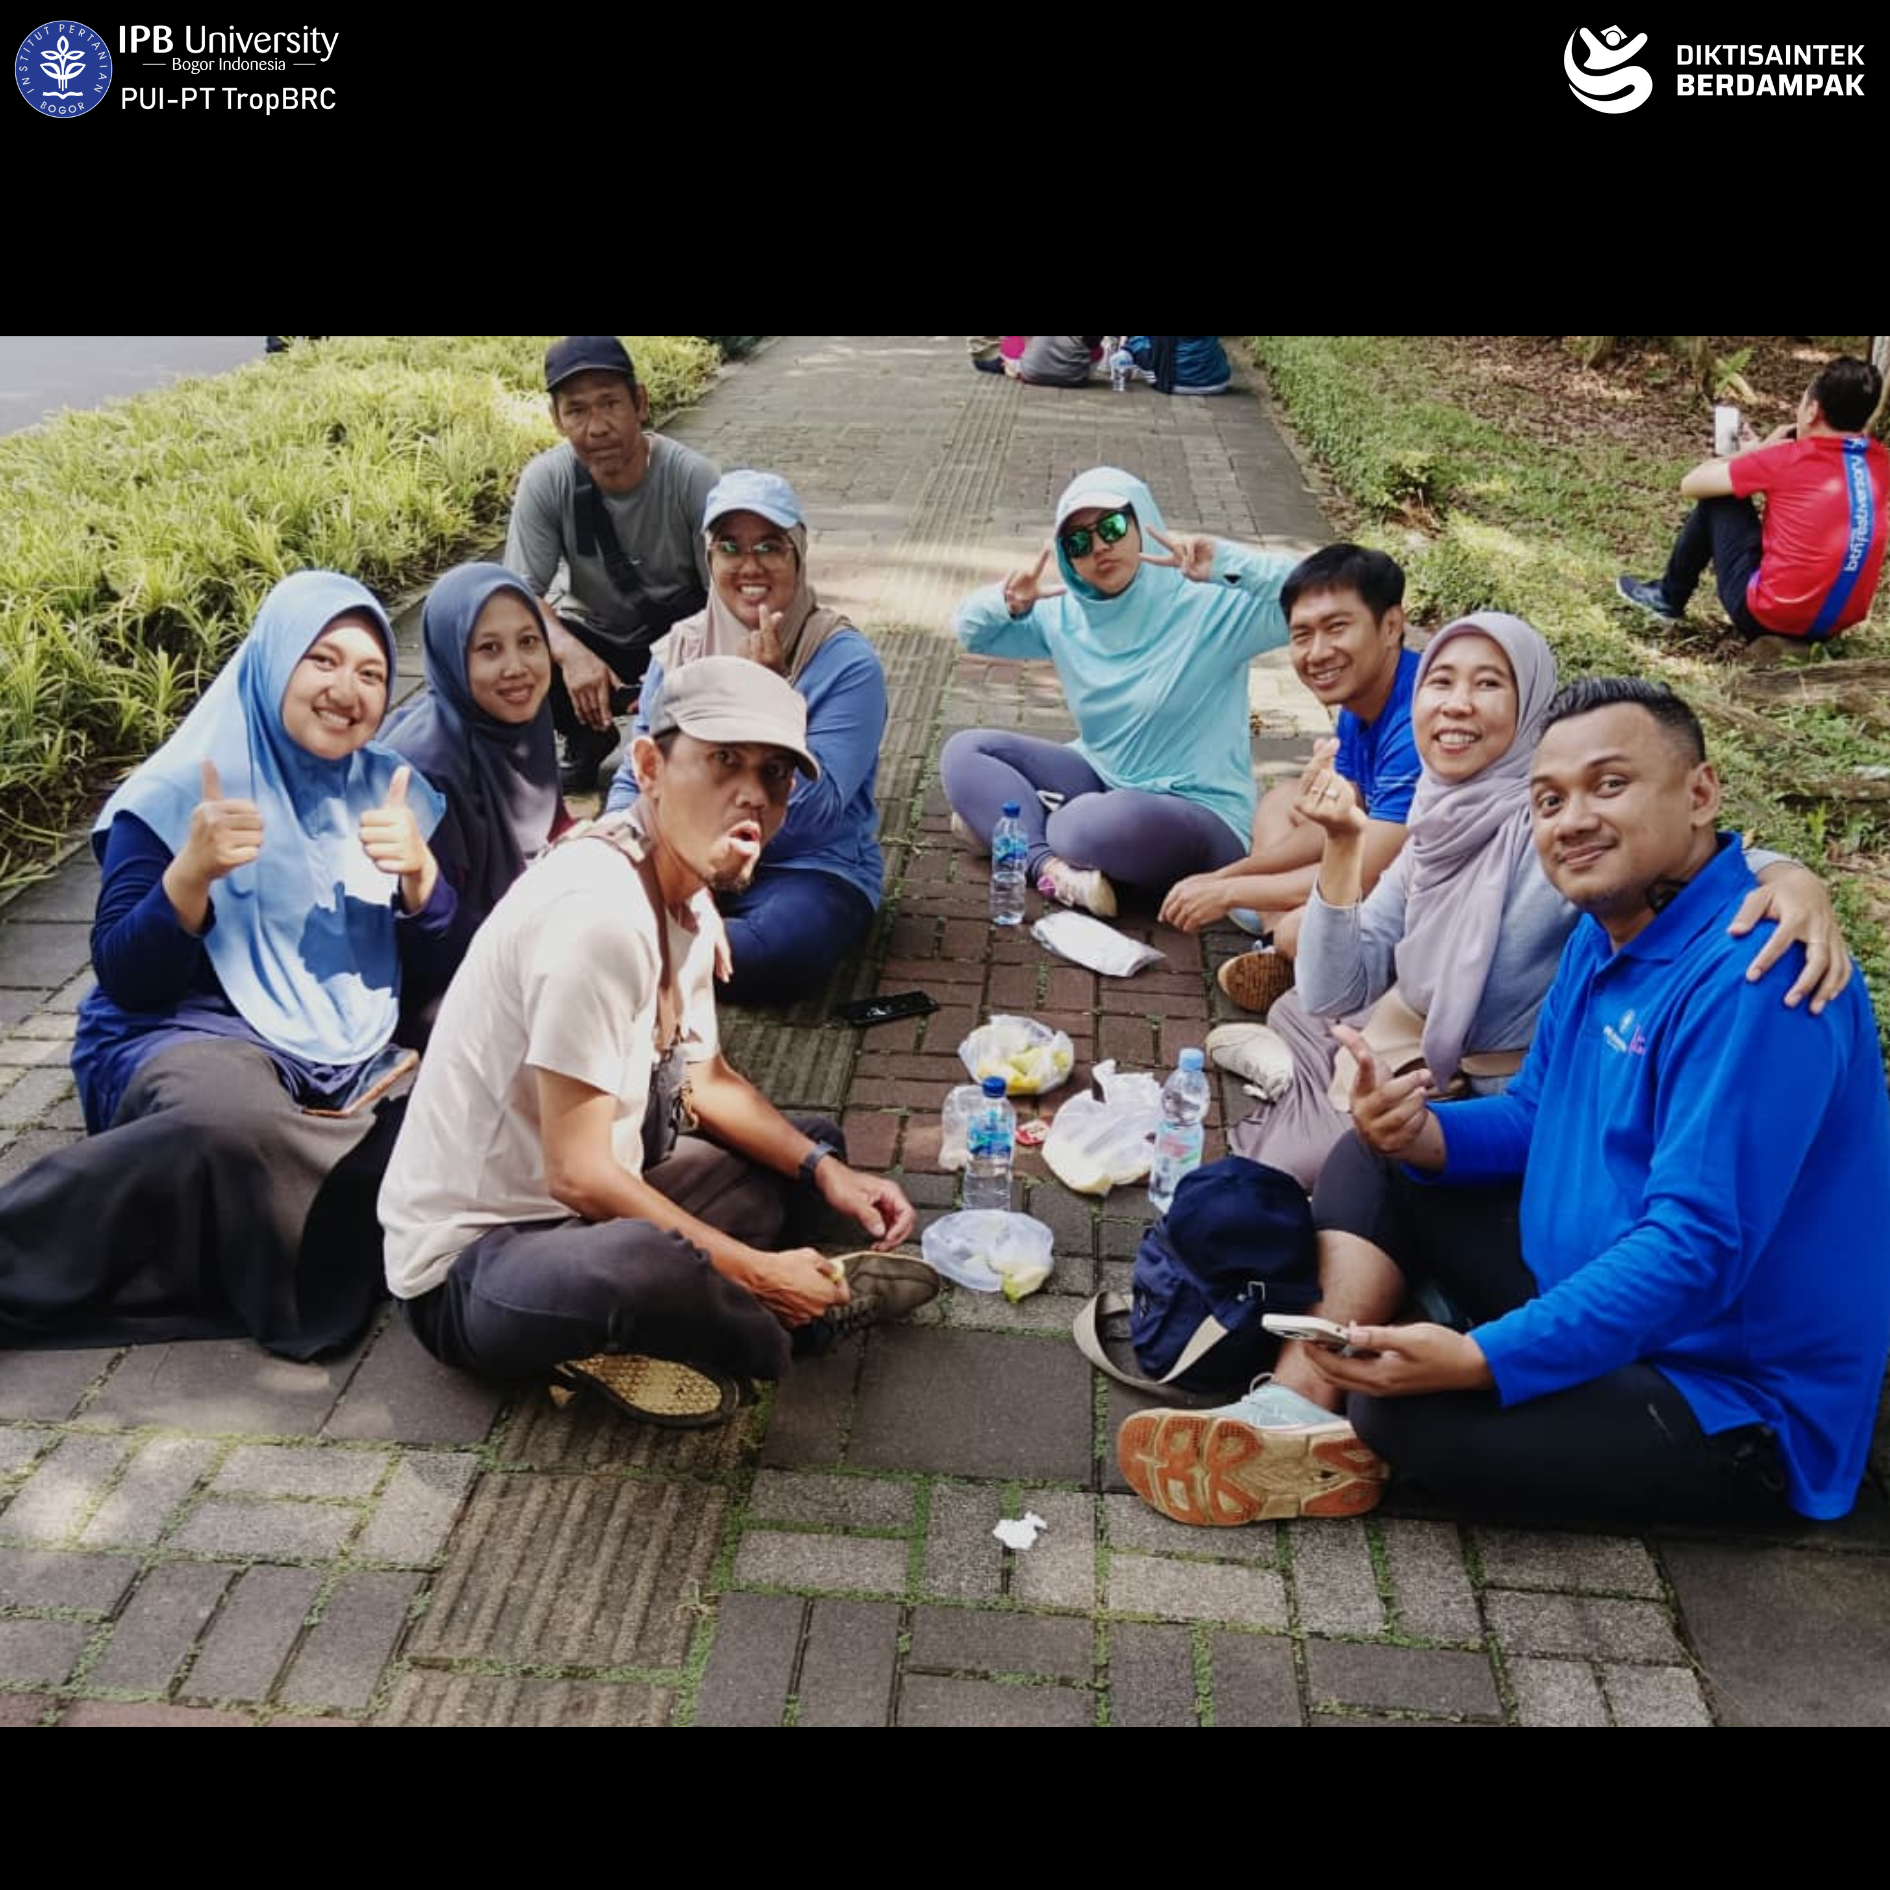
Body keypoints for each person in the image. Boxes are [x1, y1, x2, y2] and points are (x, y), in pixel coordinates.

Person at [1120, 678, 1890, 1529]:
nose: (1573, 820)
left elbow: (1695, 1249)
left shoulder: (1759, 977)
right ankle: (1297, 1406)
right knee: (1372, 1152)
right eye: (1550, 799)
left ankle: (1398, 1361)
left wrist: (1480, 1358)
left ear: (1700, 793)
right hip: (1589, 1279)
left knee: (1406, 1412)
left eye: (1610, 784)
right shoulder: (1609, 932)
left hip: (1724, 1393)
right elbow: (1533, 1115)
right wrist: (1417, 1133)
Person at [380, 656, 935, 1399]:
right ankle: (785, 1325)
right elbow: (578, 1173)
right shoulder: (597, 917)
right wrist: (759, 1274)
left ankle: (650, 1330)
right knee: (646, 1266)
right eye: (724, 761)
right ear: (648, 766)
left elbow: (705, 1082)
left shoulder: (685, 889)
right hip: (477, 1264)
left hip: (594, 1204)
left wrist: (825, 1171)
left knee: (808, 1150)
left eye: (774, 774)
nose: (753, 795)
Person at [1221, 613, 1844, 1191]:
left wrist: (1791, 877)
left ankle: (1298, 1078)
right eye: (1440, 681)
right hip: (1414, 1028)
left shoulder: (1553, 823)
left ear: (1531, 708)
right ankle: (1295, 1068)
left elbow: (1675, 847)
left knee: (1298, 1166)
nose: (1457, 703)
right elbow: (1335, 987)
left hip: (1496, 1093)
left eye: (1488, 683)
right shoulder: (1436, 817)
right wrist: (1342, 841)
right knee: (1306, 1004)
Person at [0, 571, 457, 1360]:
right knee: (230, 1123)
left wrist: (422, 878)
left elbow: (446, 964)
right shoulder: (182, 788)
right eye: (322, 660)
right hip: (186, 1035)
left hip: (343, 1056)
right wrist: (191, 874)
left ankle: (286, 1189)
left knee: (465, 1101)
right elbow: (128, 977)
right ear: (273, 661)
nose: (346, 690)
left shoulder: (386, 792)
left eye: (371, 672)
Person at [942, 467, 1294, 916]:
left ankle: (1015, 827)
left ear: (1141, 521)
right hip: (1098, 775)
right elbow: (971, 631)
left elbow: (1328, 589)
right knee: (966, 751)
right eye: (1078, 542)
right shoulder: (1064, 613)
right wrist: (1006, 601)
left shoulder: (1214, 606)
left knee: (1086, 823)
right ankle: (1049, 866)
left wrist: (1229, 563)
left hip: (1196, 809)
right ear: (1068, 557)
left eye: (1111, 527)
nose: (1099, 547)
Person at [605, 472, 886, 1006]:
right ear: (708, 559)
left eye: (770, 547)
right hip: (688, 857)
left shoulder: (847, 663)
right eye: (730, 547)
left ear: (798, 555)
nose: (750, 565)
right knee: (589, 892)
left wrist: (766, 694)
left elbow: (813, 812)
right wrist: (618, 849)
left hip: (803, 869)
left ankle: (651, 944)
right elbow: (634, 780)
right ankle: (667, 934)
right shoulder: (679, 649)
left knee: (772, 953)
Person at [1161, 545, 1421, 1012]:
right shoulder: (1361, 700)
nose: (1317, 653)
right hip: (1387, 859)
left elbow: (1362, 873)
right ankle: (1273, 948)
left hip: (1433, 900)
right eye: (1302, 635)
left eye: (1337, 628)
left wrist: (1227, 892)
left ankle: (1284, 945)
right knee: (1282, 801)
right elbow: (1338, 826)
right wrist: (1226, 875)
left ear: (1391, 626)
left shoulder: (1421, 718)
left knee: (1303, 929)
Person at [503, 336, 719, 793]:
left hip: (681, 633)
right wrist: (569, 652)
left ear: (639, 403)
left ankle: (688, 733)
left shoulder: (691, 477)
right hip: (596, 634)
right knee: (508, 645)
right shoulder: (547, 481)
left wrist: (682, 663)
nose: (596, 427)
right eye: (577, 410)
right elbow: (516, 595)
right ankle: (585, 732)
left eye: (609, 403)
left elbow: (723, 596)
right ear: (557, 419)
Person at [380, 561, 568, 1038]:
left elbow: (552, 826)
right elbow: (428, 948)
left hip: (506, 939)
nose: (516, 667)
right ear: (451, 657)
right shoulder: (428, 770)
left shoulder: (516, 720)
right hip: (432, 985)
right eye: (489, 649)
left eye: (529, 641)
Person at [1617, 354, 1887, 655]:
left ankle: (1668, 597)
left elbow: (1691, 484)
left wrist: (1756, 452)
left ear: (1812, 410)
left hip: (1769, 617)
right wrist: (1765, 455)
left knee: (1720, 499)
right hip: (1832, 624)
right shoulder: (1880, 464)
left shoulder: (1786, 458)